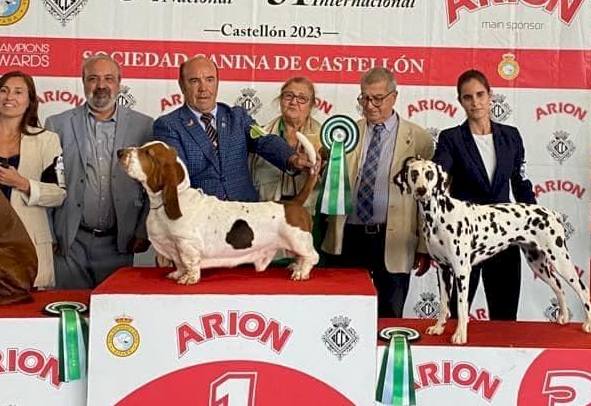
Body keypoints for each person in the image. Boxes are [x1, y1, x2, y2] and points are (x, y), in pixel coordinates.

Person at [322, 67, 434, 317]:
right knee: (344, 314)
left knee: (390, 316)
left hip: (394, 239)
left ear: (394, 97)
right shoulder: (345, 134)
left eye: (377, 98)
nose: (369, 105)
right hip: (349, 236)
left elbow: (426, 201)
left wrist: (424, 246)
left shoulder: (420, 139)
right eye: (364, 98)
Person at [432, 69, 537, 320]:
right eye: (468, 97)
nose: (475, 102)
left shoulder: (511, 136)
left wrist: (534, 224)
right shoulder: (450, 139)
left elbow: (520, 183)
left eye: (480, 95)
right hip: (463, 238)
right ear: (460, 101)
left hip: (504, 235)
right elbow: (437, 176)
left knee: (505, 317)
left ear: (490, 96)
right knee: (457, 316)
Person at [44, 54, 153, 289]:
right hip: (70, 242)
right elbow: (46, 185)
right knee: (69, 305)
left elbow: (152, 186)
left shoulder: (145, 126)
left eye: (108, 78)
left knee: (114, 310)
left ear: (119, 83)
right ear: (83, 82)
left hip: (121, 242)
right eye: (93, 78)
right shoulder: (57, 125)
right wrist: (49, 235)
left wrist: (143, 230)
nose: (101, 85)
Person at [153, 56, 317, 201]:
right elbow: (177, 178)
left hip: (243, 212)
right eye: (194, 81)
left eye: (210, 80)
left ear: (217, 82)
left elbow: (265, 140)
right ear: (182, 85)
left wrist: (292, 158)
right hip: (201, 217)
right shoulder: (168, 126)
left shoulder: (237, 117)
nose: (203, 88)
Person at [0, 71, 65, 289]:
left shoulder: (47, 140)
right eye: (4, 91)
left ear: (30, 100)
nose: (9, 97)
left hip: (27, 247)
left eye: (18, 92)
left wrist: (22, 183)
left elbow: (58, 194)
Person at [249, 76, 323, 212]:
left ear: (312, 105)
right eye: (288, 96)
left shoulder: (324, 137)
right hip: (268, 210)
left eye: (302, 98)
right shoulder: (261, 135)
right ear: (280, 100)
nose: (293, 102)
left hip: (307, 212)